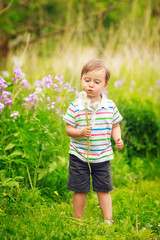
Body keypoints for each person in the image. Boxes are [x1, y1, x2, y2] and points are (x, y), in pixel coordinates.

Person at [63, 59, 124, 224]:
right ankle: (78, 219)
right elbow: (69, 129)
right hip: (79, 156)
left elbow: (115, 125)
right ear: (81, 79)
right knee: (80, 190)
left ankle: (108, 219)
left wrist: (117, 138)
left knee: (103, 189)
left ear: (105, 85)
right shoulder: (75, 106)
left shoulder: (109, 106)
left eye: (96, 82)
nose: (91, 85)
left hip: (102, 156)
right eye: (87, 80)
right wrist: (80, 132)